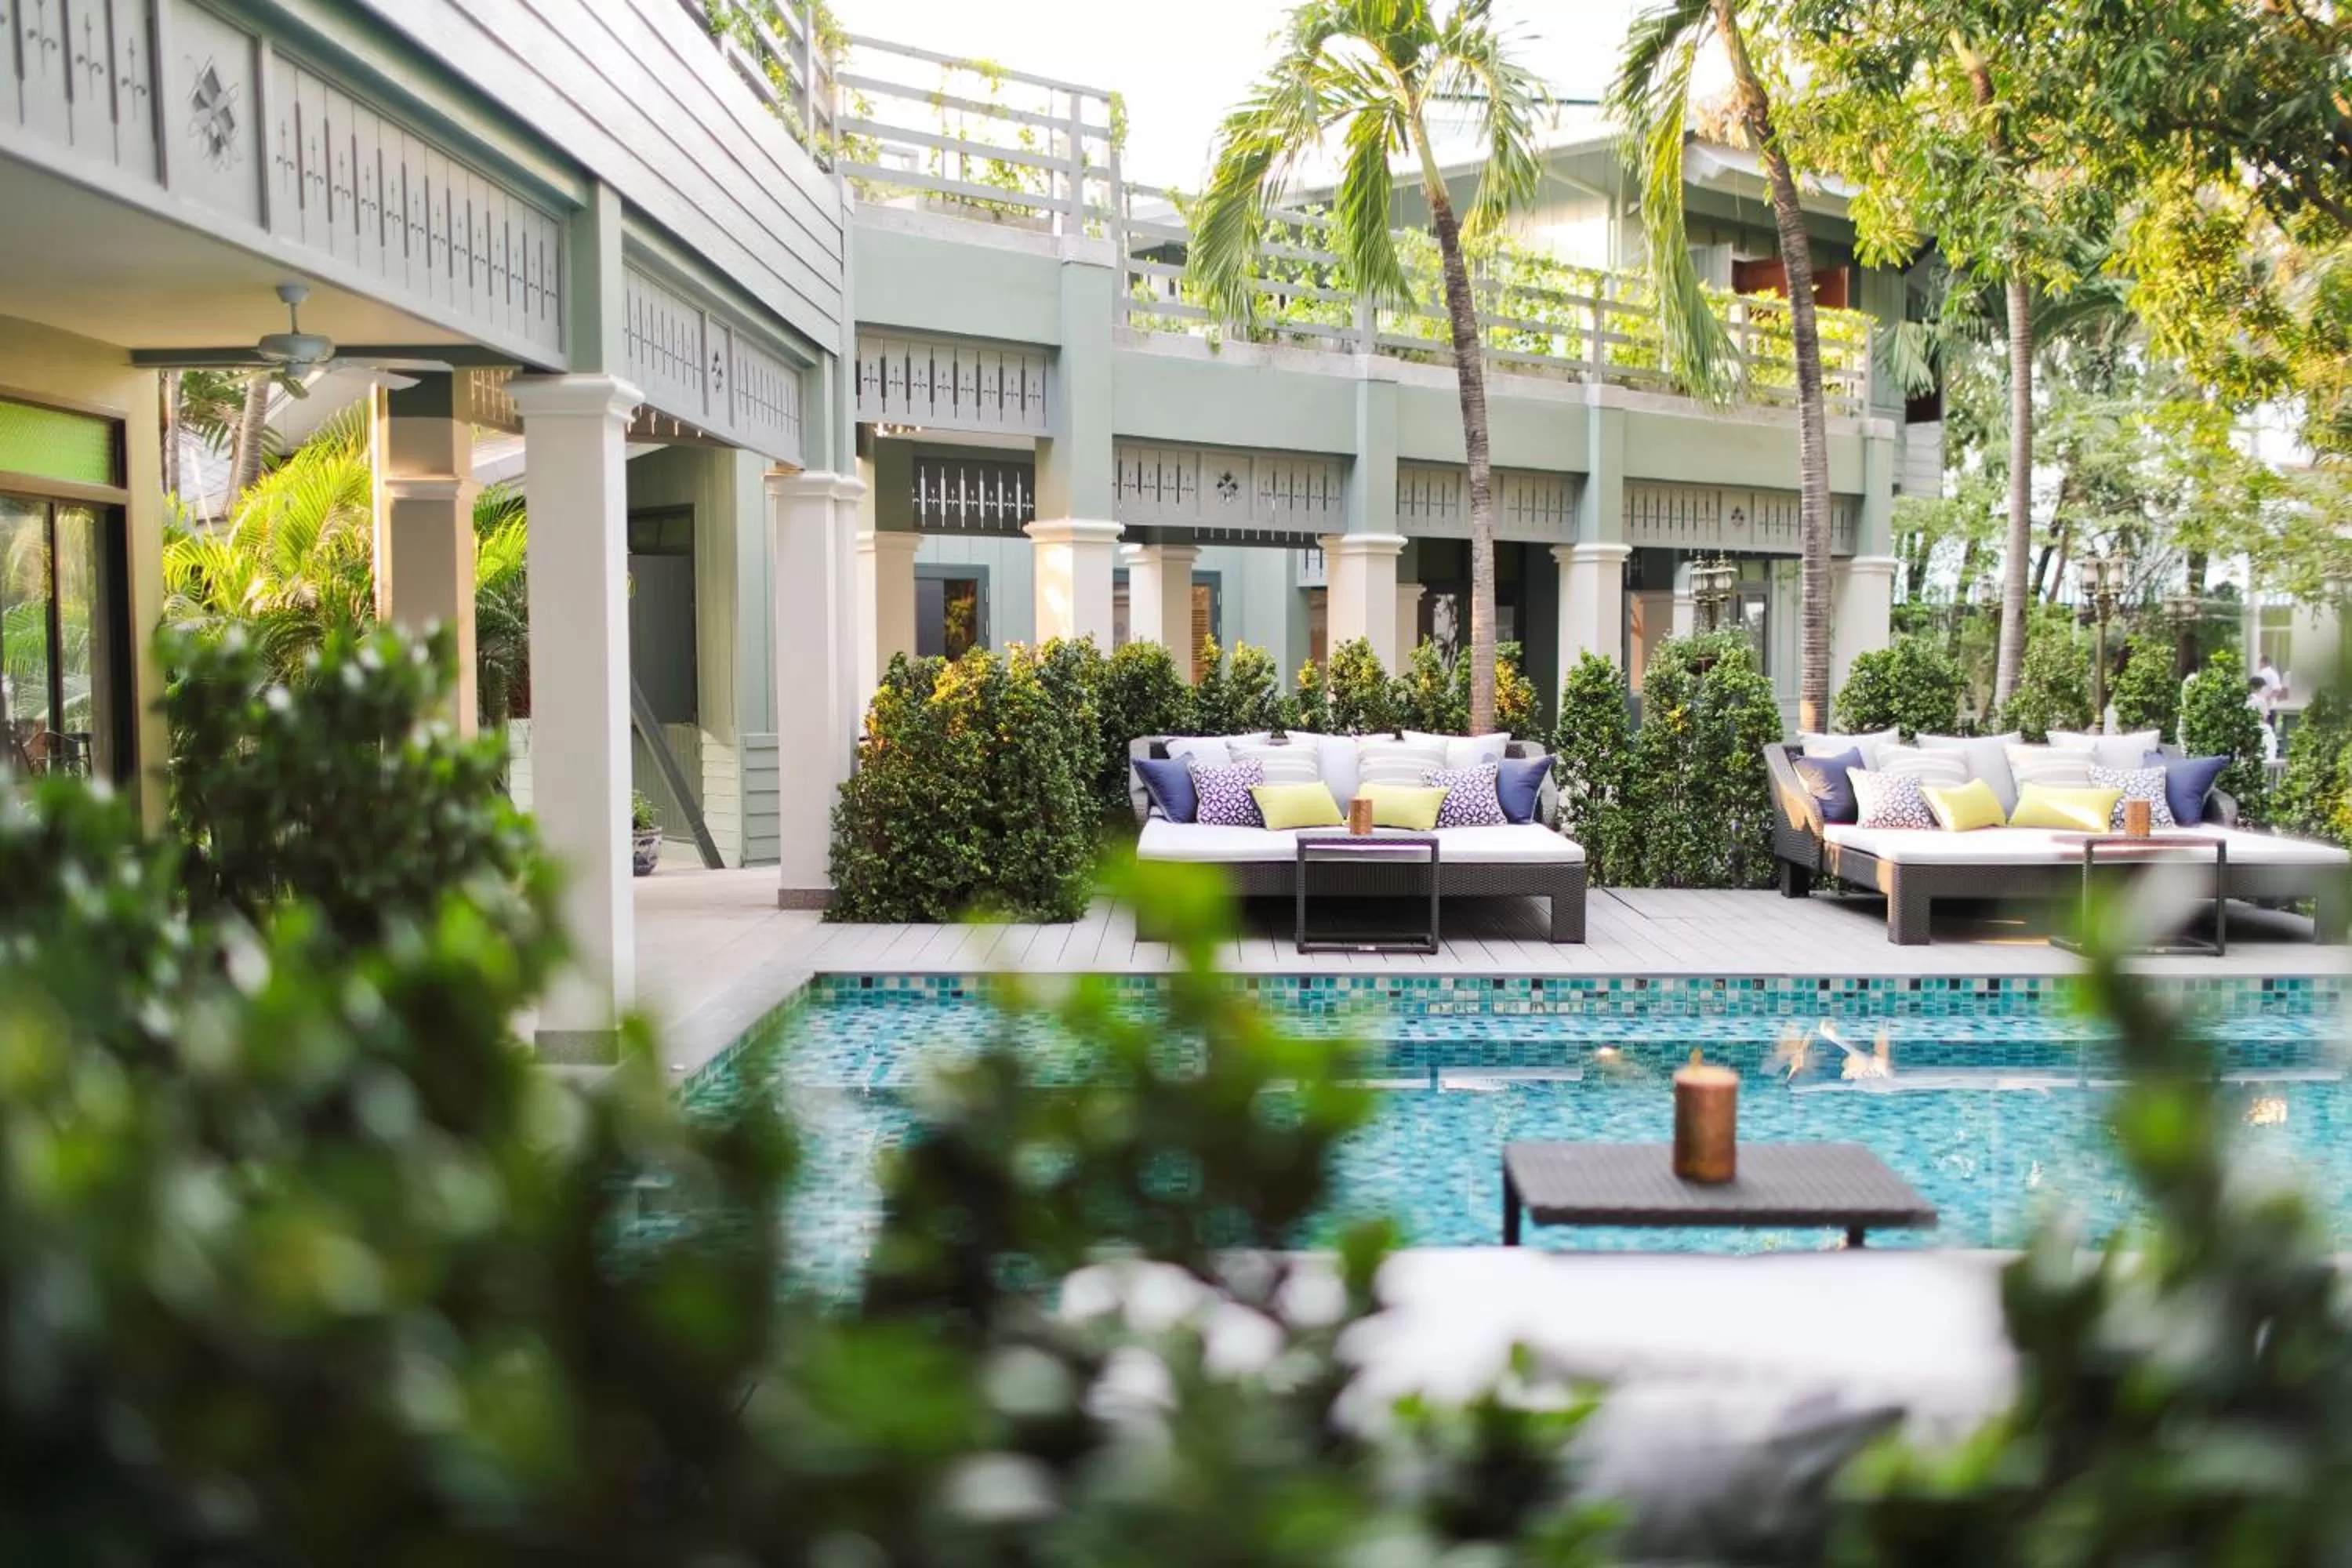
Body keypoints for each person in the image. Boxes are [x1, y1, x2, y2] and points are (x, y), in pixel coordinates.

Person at [2249, 675, 2281, 760]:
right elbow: (2264, 717)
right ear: (2261, 688)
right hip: (2260, 727)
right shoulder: (2260, 701)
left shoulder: (2246, 700)